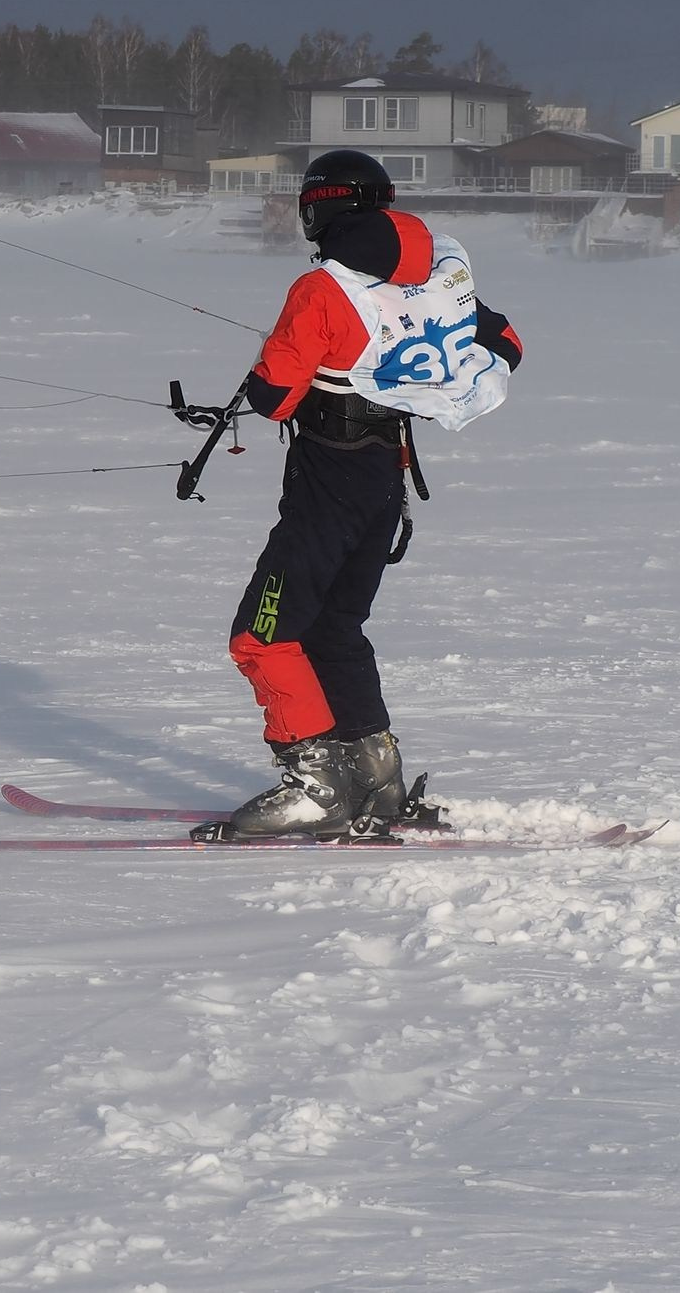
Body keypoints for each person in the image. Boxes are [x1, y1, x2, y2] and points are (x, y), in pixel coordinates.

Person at [201, 149, 524, 840]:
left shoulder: (323, 290)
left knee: (261, 637)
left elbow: (273, 399)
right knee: (333, 630)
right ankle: (377, 782)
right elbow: (505, 339)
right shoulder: (442, 275)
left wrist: (282, 356)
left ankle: (316, 787)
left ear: (317, 211)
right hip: (385, 479)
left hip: (329, 483)